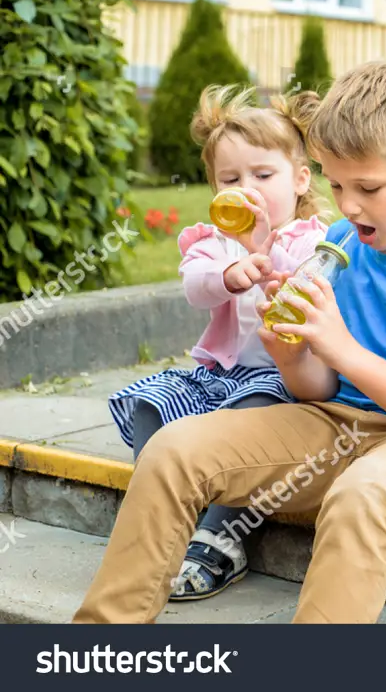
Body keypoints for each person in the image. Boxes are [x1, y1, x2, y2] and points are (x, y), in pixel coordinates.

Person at [73, 59, 386, 624]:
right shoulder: (339, 240)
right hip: (337, 422)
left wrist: (340, 347)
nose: (349, 204)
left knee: (364, 494)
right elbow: (318, 388)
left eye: (369, 187)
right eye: (336, 184)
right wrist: (293, 353)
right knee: (173, 449)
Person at [106, 84, 329, 601]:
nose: (247, 187)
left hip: (279, 380)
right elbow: (195, 287)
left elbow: (309, 289)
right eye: (231, 178)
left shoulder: (313, 241)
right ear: (216, 188)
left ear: (299, 180)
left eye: (263, 175)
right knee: (151, 404)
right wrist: (232, 272)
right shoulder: (213, 242)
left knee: (249, 422)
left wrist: (267, 254)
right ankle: (162, 516)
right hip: (218, 375)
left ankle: (219, 539)